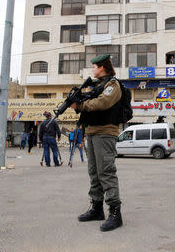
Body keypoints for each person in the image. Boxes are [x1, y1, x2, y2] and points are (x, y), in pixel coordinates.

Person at [71, 54, 123, 232]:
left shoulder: (112, 85)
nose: (93, 69)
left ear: (102, 67)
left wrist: (81, 105)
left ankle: (115, 213)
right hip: (92, 131)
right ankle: (97, 208)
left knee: (106, 172)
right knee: (94, 172)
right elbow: (91, 101)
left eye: (94, 66)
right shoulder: (96, 85)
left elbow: (102, 103)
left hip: (105, 132)